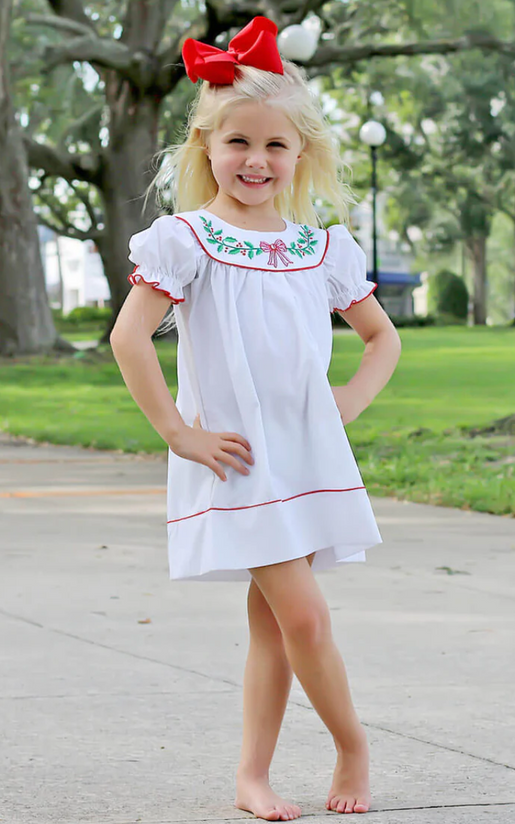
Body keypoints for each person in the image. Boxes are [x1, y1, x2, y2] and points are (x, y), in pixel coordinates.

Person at [110, 16, 401, 819]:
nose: (256, 160)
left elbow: (381, 341)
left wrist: (344, 402)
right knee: (304, 615)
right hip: (235, 460)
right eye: (238, 142)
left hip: (305, 457)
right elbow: (129, 337)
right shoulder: (189, 240)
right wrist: (178, 432)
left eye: (275, 146)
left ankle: (252, 776)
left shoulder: (320, 247)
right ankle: (352, 745)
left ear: (300, 155)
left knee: (274, 627)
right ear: (206, 147)